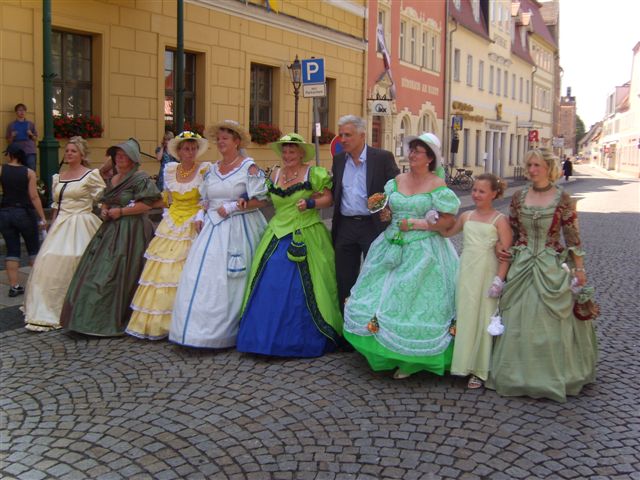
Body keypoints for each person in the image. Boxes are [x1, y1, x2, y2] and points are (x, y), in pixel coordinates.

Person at [343, 132, 460, 379]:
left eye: (418, 151)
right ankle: (386, 350)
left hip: (424, 251)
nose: (412, 154)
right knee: (380, 295)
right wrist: (382, 210)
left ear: (429, 158)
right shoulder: (396, 181)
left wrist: (419, 223)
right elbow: (388, 213)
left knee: (413, 302)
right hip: (391, 244)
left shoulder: (437, 185)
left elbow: (448, 221)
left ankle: (413, 357)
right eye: (412, 150)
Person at [486, 148, 597, 402]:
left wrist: (579, 268)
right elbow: (512, 231)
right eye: (530, 165)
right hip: (523, 262)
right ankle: (515, 373)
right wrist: (500, 247)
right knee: (516, 316)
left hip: (550, 264)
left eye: (537, 165)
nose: (532, 170)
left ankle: (554, 375)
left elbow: (572, 236)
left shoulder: (563, 198)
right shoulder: (519, 197)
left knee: (550, 320)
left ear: (549, 168)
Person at [237, 133, 344, 358]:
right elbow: (263, 197)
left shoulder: (314, 173)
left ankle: (299, 338)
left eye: (292, 151)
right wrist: (245, 198)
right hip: (276, 232)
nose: (288, 156)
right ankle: (263, 338)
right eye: (285, 152)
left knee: (301, 286)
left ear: (301, 153)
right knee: (270, 281)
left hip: (306, 232)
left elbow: (329, 198)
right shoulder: (275, 174)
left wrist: (312, 202)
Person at [169, 120, 267, 349]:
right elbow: (206, 198)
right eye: (219, 138)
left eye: (226, 138)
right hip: (211, 227)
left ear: (236, 141)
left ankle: (227, 331)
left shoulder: (249, 167)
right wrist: (201, 214)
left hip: (239, 228)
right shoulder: (213, 169)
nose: (221, 142)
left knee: (231, 281)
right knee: (200, 277)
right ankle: (194, 332)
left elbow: (262, 199)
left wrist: (234, 207)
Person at [60, 138, 161, 336]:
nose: (120, 159)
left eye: (124, 155)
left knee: (118, 274)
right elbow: (106, 201)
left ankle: (113, 317)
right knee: (95, 273)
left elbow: (151, 204)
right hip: (110, 230)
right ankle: (87, 319)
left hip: (132, 232)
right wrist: (105, 211)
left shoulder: (140, 179)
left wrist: (122, 212)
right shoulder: (113, 179)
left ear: (132, 159)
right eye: (117, 156)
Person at [126, 131, 209, 340]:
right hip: (171, 221)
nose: (189, 152)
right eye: (185, 148)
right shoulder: (171, 170)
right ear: (178, 151)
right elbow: (167, 198)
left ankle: (183, 321)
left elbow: (208, 198)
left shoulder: (205, 170)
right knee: (161, 268)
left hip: (193, 221)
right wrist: (141, 203)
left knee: (185, 267)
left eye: (192, 148)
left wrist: (201, 214)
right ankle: (158, 321)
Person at [24, 137, 105, 332]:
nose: (69, 153)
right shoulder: (58, 177)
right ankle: (48, 308)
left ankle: (77, 308)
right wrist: (51, 224)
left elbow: (101, 199)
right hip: (61, 225)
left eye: (73, 151)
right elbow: (57, 206)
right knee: (48, 262)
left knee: (76, 260)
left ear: (82, 155)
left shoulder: (90, 175)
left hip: (82, 223)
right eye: (67, 151)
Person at [440, 174, 512, 389]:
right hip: (467, 272)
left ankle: (480, 369)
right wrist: (436, 218)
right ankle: (463, 364)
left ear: (494, 194)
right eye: (474, 190)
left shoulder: (500, 220)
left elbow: (506, 253)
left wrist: (499, 279)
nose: (476, 194)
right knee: (466, 316)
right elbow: (446, 233)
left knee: (483, 318)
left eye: (481, 191)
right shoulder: (466, 216)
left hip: (487, 273)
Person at [331, 115, 399, 310]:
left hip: (373, 225)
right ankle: (347, 327)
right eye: (341, 135)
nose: (343, 139)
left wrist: (389, 208)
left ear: (362, 135)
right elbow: (334, 190)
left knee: (375, 276)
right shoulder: (338, 160)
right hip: (345, 226)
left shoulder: (382, 158)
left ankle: (372, 323)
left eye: (348, 135)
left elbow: (395, 188)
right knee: (344, 279)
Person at [0, 144, 47, 297]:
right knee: (33, 249)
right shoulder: (29, 172)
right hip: (24, 213)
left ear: (10, 155)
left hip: (5, 213)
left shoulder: (1, 169)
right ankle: (36, 286)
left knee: (12, 250)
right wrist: (42, 216)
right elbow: (34, 196)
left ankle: (14, 286)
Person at [5, 103, 38, 171]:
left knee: (31, 169)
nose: (22, 112)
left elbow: (35, 139)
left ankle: (31, 181)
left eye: (23, 110)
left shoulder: (30, 124)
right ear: (16, 112)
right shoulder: (11, 125)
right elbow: (8, 141)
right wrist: (12, 136)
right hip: (17, 151)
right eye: (19, 110)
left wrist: (31, 134)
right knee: (18, 171)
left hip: (29, 150)